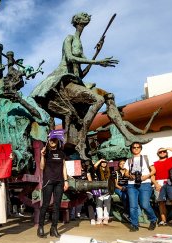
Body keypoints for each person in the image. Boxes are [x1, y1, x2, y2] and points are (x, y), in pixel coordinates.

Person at [31, 12, 118, 158]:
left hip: (75, 80)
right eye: (83, 19)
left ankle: (80, 139)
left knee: (92, 105)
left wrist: (97, 54)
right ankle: (80, 141)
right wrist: (96, 61)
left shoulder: (80, 43)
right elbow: (70, 58)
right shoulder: (69, 38)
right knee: (98, 100)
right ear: (77, 21)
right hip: (63, 80)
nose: (86, 21)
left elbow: (81, 74)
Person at [37, 130, 69, 238]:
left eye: (55, 140)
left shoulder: (62, 153)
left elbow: (64, 167)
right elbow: (41, 167)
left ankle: (53, 228)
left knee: (57, 205)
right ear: (49, 141)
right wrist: (42, 155)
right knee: (45, 205)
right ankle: (40, 227)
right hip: (48, 182)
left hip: (59, 181)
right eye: (51, 140)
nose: (53, 141)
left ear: (57, 141)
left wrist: (66, 180)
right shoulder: (46, 153)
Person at [125, 142, 158, 232]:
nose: (136, 149)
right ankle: (134, 225)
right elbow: (126, 173)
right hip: (132, 184)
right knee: (133, 206)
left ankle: (153, 219)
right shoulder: (128, 160)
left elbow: (153, 170)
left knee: (145, 204)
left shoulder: (146, 158)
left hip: (145, 183)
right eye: (134, 147)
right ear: (131, 149)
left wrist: (146, 176)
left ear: (141, 148)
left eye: (138, 147)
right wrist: (130, 176)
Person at [151, 147, 172, 228]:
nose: (162, 153)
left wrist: (168, 148)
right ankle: (163, 220)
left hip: (171, 181)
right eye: (160, 152)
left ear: (166, 152)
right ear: (158, 154)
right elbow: (152, 175)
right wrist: (156, 184)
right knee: (161, 202)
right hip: (159, 183)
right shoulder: (154, 163)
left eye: (164, 151)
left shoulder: (171, 159)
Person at [90, 159, 112, 225]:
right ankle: (99, 218)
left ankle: (106, 218)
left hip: (107, 190)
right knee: (99, 204)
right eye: (102, 162)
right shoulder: (98, 170)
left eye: (105, 162)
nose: (103, 163)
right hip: (99, 190)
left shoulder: (109, 170)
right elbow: (94, 166)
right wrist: (100, 160)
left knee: (107, 204)